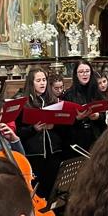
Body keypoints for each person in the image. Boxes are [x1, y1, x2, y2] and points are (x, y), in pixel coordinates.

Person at [15, 68, 63, 202]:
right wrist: (33, 129)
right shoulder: (24, 103)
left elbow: (62, 126)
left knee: (51, 186)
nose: (42, 83)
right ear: (31, 83)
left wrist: (54, 125)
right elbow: (17, 132)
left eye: (44, 80)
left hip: (53, 151)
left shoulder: (52, 100)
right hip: (34, 153)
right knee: (38, 190)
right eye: (38, 80)